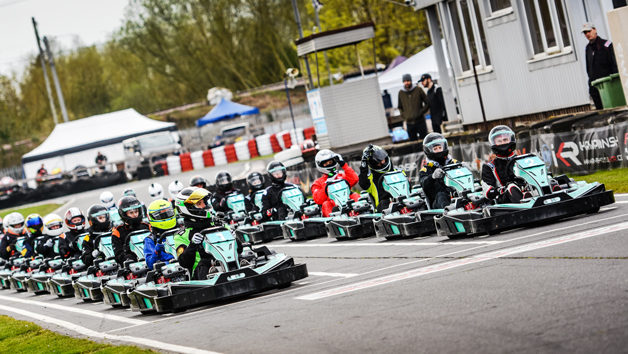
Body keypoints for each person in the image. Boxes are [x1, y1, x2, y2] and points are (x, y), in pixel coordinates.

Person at [174, 187, 228, 279]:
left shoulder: (217, 224)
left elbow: (239, 249)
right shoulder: (181, 235)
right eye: (199, 203)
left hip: (226, 262)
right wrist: (192, 245)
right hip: (200, 273)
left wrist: (233, 237)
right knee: (204, 263)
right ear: (187, 208)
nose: (204, 206)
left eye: (204, 202)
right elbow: (185, 263)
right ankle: (213, 273)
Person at [481, 126, 531, 204]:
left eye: (505, 140)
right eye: (499, 141)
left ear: (511, 140)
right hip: (505, 200)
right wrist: (501, 189)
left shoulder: (523, 160)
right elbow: (487, 191)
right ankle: (525, 202)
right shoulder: (489, 167)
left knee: (550, 180)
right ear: (494, 143)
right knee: (512, 187)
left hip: (528, 190)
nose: (503, 143)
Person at [312, 150, 360, 217]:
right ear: (320, 165)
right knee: (326, 204)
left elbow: (354, 179)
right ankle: (333, 222)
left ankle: (361, 216)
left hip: (347, 203)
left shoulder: (341, 176)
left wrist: (343, 164)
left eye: (330, 162)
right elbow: (319, 200)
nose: (329, 164)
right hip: (333, 209)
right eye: (326, 163)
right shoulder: (318, 183)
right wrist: (329, 181)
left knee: (355, 195)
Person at [419, 133, 461, 209]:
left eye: (440, 148)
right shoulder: (425, 169)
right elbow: (423, 183)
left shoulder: (454, 163)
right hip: (437, 202)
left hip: (457, 195)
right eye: (435, 149)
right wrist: (432, 177)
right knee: (441, 196)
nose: (438, 151)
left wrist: (465, 169)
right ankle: (450, 215)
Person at [583, 22, 618, 110]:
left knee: (612, 108)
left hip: (608, 84)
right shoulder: (588, 48)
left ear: (595, 30)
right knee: (600, 111)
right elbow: (588, 67)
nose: (587, 34)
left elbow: (614, 65)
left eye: (589, 31)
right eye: (585, 32)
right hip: (595, 85)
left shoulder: (606, 45)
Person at [112, 196, 150, 265]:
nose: (135, 215)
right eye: (131, 213)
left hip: (151, 259)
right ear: (123, 214)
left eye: (136, 211)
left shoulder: (147, 227)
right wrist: (127, 254)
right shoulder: (118, 233)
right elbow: (118, 256)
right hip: (133, 265)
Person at [358, 144, 397, 212]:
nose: (382, 162)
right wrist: (363, 164)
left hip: (402, 200)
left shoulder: (397, 172)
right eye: (379, 162)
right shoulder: (371, 180)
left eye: (383, 159)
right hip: (384, 209)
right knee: (383, 204)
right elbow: (363, 183)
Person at [144, 200, 176, 270]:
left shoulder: (180, 232)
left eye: (168, 213)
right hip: (168, 270)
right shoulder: (151, 240)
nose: (166, 217)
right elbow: (151, 265)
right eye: (161, 215)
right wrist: (156, 252)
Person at [398, 73, 430, 141]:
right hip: (409, 123)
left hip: (420, 121)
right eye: (405, 81)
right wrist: (404, 115)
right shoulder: (401, 93)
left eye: (408, 81)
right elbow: (400, 107)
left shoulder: (418, 89)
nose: (406, 83)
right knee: (413, 142)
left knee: (424, 140)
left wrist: (421, 112)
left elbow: (427, 102)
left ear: (411, 81)